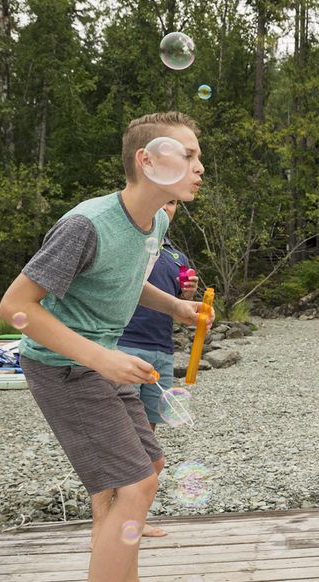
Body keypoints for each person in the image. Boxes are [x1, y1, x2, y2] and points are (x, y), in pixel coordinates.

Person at [0, 111, 207, 582]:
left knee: (148, 468)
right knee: (133, 484)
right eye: (189, 155)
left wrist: (175, 307)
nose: (201, 167)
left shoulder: (157, 218)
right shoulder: (85, 225)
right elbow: (16, 307)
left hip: (105, 362)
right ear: (148, 161)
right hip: (63, 366)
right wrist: (101, 358)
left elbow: (124, 277)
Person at [106, 198, 197, 540]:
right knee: (119, 435)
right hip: (124, 343)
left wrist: (188, 293)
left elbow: (176, 305)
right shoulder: (129, 241)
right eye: (163, 200)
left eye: (174, 202)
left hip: (161, 348)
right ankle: (106, 521)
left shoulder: (177, 255)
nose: (167, 207)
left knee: (148, 434)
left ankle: (135, 518)